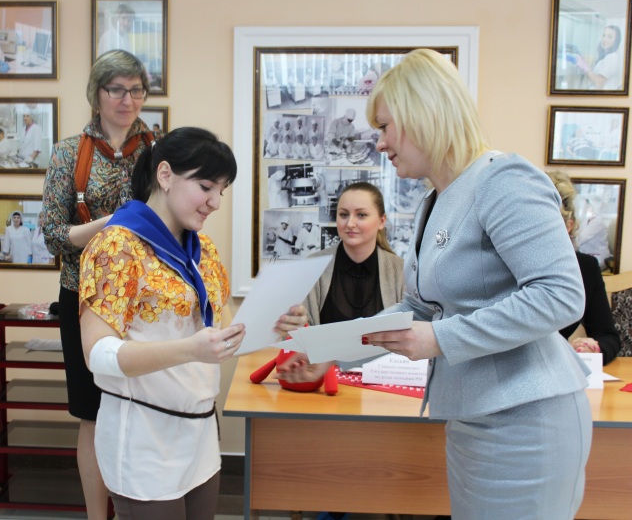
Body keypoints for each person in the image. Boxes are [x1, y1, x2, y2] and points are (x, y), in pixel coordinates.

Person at [281, 49, 592, 520]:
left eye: (385, 126)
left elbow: (560, 295)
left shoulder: (503, 179)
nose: (379, 143)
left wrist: (440, 338)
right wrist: (324, 347)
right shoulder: (437, 200)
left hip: (527, 420)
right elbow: (420, 309)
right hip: (472, 417)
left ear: (422, 114)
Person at [79, 127, 307, 519]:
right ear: (165, 175)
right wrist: (190, 349)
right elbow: (98, 355)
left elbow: (226, 336)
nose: (215, 202)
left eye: (222, 190)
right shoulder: (116, 246)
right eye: (206, 187)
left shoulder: (203, 251)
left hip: (199, 431)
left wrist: (276, 325)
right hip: (143, 436)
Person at [42, 49, 156, 520]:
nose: (127, 100)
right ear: (97, 94)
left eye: (136, 90)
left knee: (146, 407)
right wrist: (110, 225)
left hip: (147, 299)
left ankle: (144, 509)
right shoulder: (69, 153)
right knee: (92, 414)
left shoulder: (161, 151)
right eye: (117, 90)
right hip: (84, 298)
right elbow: (53, 234)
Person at [279, 182, 405, 520]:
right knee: (330, 468)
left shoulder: (400, 269)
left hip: (382, 389)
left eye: (361, 215)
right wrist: (294, 324)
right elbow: (298, 335)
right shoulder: (314, 265)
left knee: (383, 468)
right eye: (343, 214)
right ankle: (335, 505)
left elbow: (406, 333)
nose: (350, 223)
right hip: (325, 389)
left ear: (381, 221)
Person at [548, 171, 621, 365]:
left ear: (568, 226)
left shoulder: (586, 268)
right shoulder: (504, 265)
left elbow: (608, 336)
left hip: (557, 370)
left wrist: (593, 348)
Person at [569, 25, 624, 90]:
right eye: (603, 35)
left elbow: (599, 83)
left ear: (616, 40)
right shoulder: (605, 57)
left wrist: (585, 68)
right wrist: (585, 64)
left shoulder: (613, 57)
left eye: (609, 37)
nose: (604, 39)